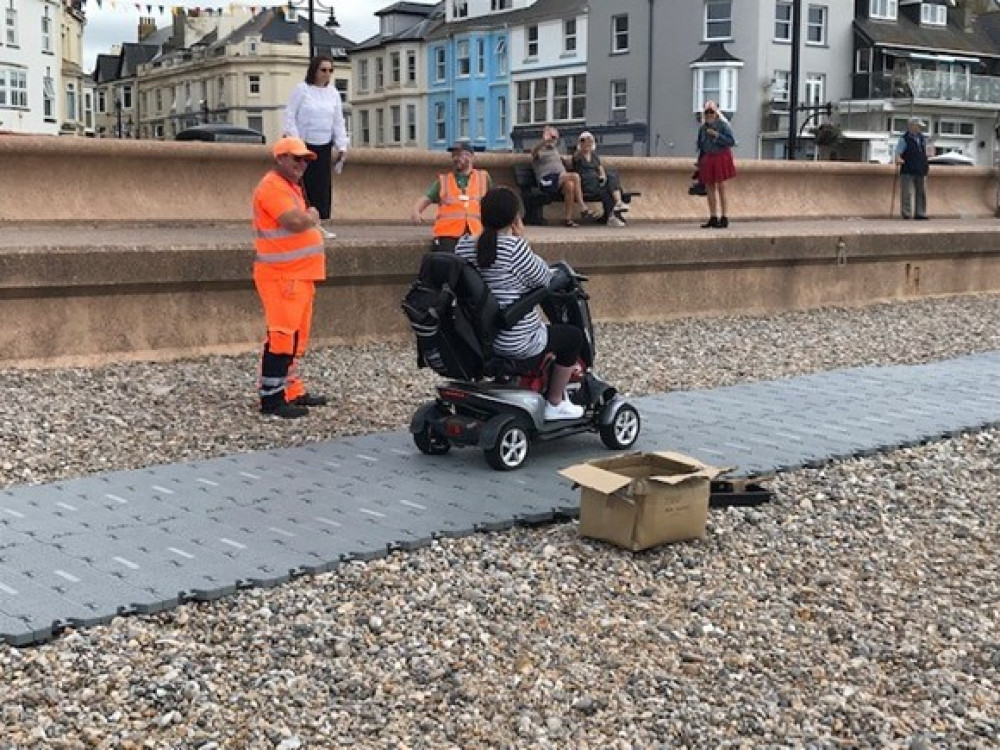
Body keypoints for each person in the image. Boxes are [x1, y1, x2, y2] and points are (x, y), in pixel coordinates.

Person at [455, 187, 586, 421]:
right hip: (518, 343)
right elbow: (545, 279)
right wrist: (520, 237)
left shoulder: (464, 246)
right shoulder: (515, 249)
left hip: (480, 339)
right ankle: (555, 402)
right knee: (573, 337)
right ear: (515, 218)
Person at [251, 136, 330, 419]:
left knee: (296, 337)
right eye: (296, 158)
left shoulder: (288, 187)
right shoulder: (272, 188)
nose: (302, 164)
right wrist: (312, 215)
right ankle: (271, 399)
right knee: (282, 337)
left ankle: (291, 390)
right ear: (279, 159)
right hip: (282, 276)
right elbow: (295, 222)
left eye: (305, 159)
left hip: (299, 275)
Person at [282, 55, 349, 225]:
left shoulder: (333, 93)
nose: (327, 74)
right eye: (323, 70)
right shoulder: (302, 90)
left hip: (324, 146)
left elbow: (338, 121)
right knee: (304, 186)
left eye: (330, 70)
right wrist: (296, 142)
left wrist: (342, 144)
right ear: (314, 70)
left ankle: (321, 223)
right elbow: (290, 115)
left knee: (322, 187)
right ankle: (301, 222)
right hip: (304, 146)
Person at [411, 139, 492, 252]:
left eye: (460, 155)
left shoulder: (483, 178)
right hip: (447, 234)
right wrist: (416, 212)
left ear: (471, 157)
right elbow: (426, 198)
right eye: (454, 155)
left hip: (475, 232)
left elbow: (495, 201)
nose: (456, 158)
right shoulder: (444, 181)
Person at [531, 124, 591, 227]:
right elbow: (534, 152)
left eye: (555, 138)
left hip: (559, 179)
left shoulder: (555, 151)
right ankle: (582, 207)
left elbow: (570, 163)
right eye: (552, 137)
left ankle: (569, 219)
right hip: (547, 180)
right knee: (575, 176)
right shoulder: (540, 150)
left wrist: (578, 153)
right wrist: (545, 142)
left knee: (570, 186)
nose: (554, 140)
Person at [572, 131, 628, 228]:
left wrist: (602, 176)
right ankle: (613, 214)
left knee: (611, 176)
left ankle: (616, 206)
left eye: (589, 142)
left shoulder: (594, 156)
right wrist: (581, 146)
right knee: (609, 189)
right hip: (586, 184)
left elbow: (600, 168)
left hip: (596, 182)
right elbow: (575, 160)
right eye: (584, 142)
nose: (587, 144)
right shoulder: (578, 156)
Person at [696, 102, 737, 229]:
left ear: (716, 113)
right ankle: (713, 217)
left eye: (711, 112)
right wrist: (699, 163)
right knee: (709, 188)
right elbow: (700, 146)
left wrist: (717, 135)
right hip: (708, 157)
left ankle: (724, 217)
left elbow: (731, 141)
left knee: (721, 186)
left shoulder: (723, 125)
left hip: (721, 156)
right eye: (707, 112)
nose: (709, 115)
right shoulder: (702, 128)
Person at [895, 117, 930, 220]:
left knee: (921, 191)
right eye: (918, 126)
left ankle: (920, 213)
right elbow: (898, 152)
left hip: (921, 168)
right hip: (908, 168)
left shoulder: (923, 138)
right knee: (906, 192)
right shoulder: (904, 139)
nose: (920, 129)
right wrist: (898, 159)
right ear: (912, 126)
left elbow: (926, 153)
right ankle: (906, 213)